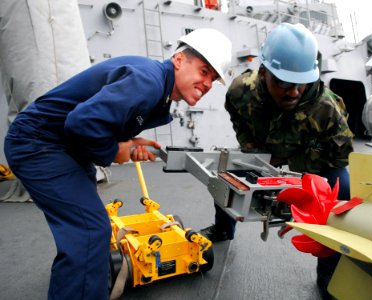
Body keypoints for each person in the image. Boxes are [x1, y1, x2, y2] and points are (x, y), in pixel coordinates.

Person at [4, 28, 231, 300]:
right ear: (179, 60)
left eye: (213, 79)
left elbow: (100, 119)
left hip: (64, 147)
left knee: (88, 232)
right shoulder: (149, 81)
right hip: (39, 144)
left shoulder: (157, 86)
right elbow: (81, 122)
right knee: (89, 230)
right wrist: (115, 150)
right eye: (204, 71)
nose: (207, 83)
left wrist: (131, 143)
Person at [200, 23, 353, 298]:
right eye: (283, 82)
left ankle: (330, 268)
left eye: (300, 83)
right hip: (262, 148)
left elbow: (339, 155)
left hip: (308, 156)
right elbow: (236, 114)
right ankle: (224, 229)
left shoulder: (328, 110)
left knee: (341, 191)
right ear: (263, 73)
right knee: (225, 177)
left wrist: (298, 162)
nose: (293, 92)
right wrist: (248, 144)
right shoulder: (240, 91)